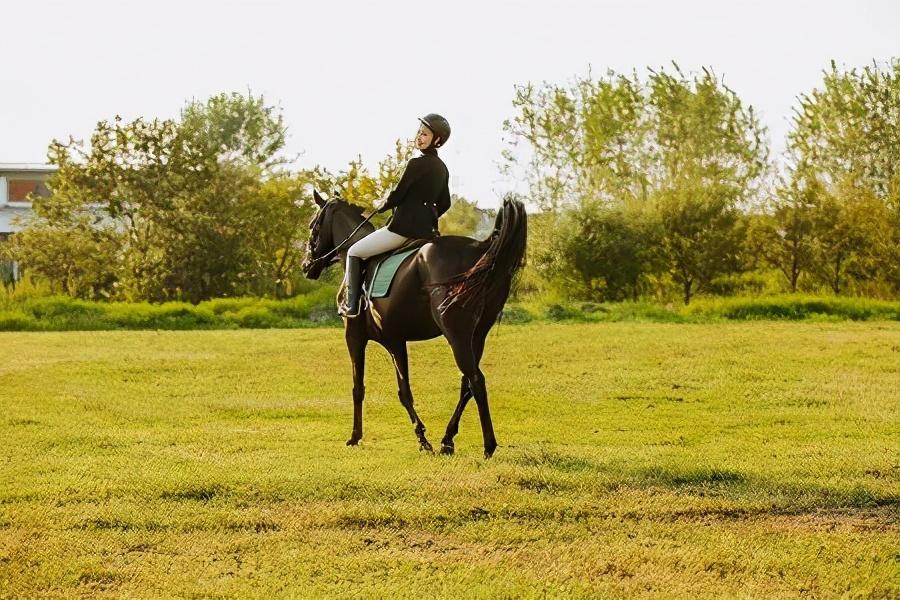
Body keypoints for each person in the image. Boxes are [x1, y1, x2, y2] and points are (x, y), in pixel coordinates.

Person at [340, 113, 452, 317]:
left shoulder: (415, 164)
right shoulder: (443, 169)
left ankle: (352, 305)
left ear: (437, 140)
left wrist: (380, 204)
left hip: (402, 230)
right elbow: (446, 203)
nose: (419, 137)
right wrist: (427, 216)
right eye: (419, 132)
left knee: (354, 252)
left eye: (425, 134)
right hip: (427, 233)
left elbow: (397, 195)